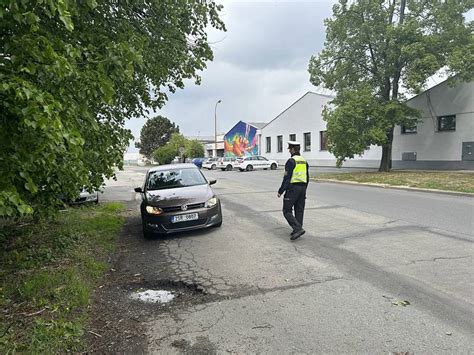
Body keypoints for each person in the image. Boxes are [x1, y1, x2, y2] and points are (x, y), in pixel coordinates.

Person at [277, 141, 309, 241]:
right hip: (303, 188)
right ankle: (297, 229)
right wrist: (304, 190)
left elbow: (287, 178)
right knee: (299, 210)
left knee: (286, 210)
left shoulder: (291, 161)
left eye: (290, 149)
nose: (289, 151)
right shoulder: (304, 161)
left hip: (293, 188)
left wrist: (281, 190)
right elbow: (307, 177)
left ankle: (298, 228)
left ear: (293, 150)